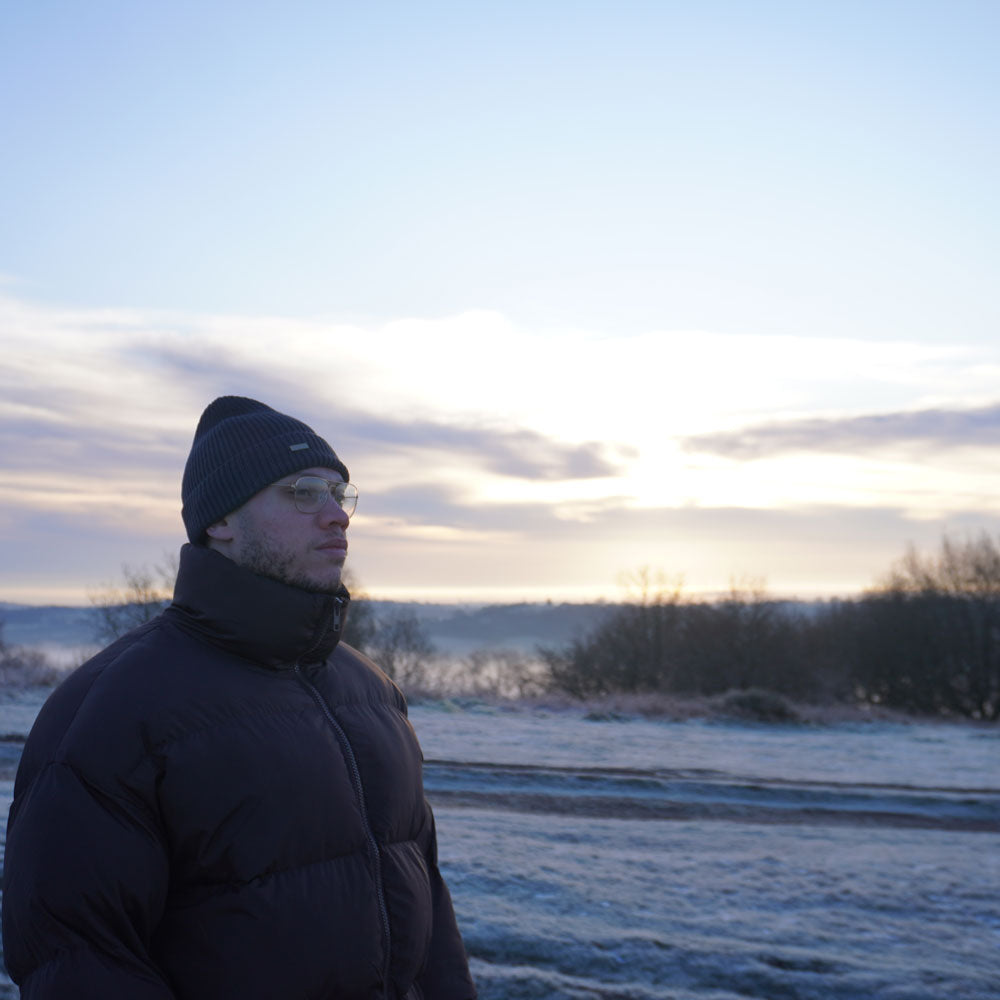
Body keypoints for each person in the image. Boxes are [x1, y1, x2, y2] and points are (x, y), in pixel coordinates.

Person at [2, 396, 477, 1000]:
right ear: (221, 521)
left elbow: (428, 910)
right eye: (303, 492)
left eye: (340, 493)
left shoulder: (373, 693)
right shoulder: (110, 711)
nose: (337, 516)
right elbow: (80, 962)